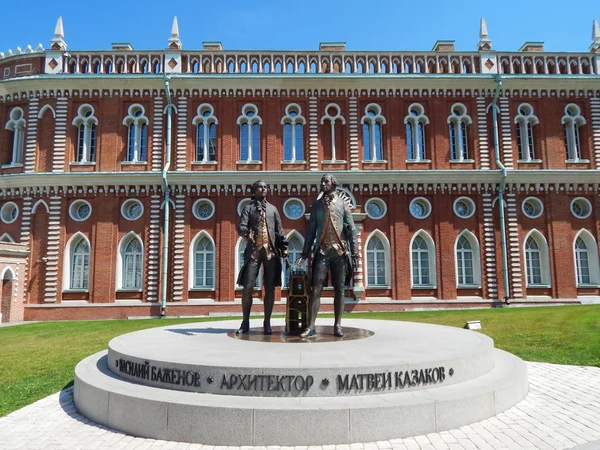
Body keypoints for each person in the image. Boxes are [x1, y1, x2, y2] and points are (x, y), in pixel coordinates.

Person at [296, 174, 358, 338]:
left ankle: (337, 325)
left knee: (340, 290)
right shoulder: (316, 205)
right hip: (322, 251)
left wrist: (355, 253)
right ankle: (311, 326)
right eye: (322, 182)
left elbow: (351, 229)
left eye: (326, 181)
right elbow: (311, 230)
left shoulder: (343, 204)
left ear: (333, 184)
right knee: (315, 289)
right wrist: (305, 252)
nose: (322, 184)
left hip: (339, 252)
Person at [236, 180, 288, 335]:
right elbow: (241, 227)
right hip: (254, 250)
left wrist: (284, 248)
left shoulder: (273, 210)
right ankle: (245, 322)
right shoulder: (248, 208)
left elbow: (279, 231)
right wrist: (246, 232)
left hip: (270, 252)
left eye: (265, 187)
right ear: (254, 190)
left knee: (270, 288)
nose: (263, 189)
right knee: (248, 287)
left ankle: (267, 322)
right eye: (260, 186)